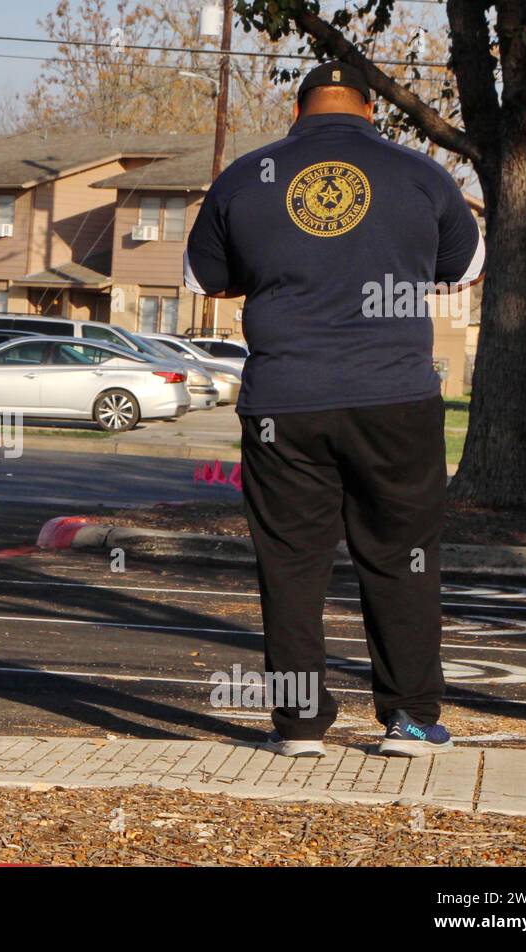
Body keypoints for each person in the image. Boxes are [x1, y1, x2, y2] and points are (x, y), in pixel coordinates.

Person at [184, 61, 484, 758]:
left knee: (291, 561)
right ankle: (409, 717)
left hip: (283, 402)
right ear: (371, 113)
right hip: (396, 399)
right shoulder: (421, 175)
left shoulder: (246, 177)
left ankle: (297, 724)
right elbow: (465, 268)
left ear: (299, 111)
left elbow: (205, 277)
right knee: (402, 556)